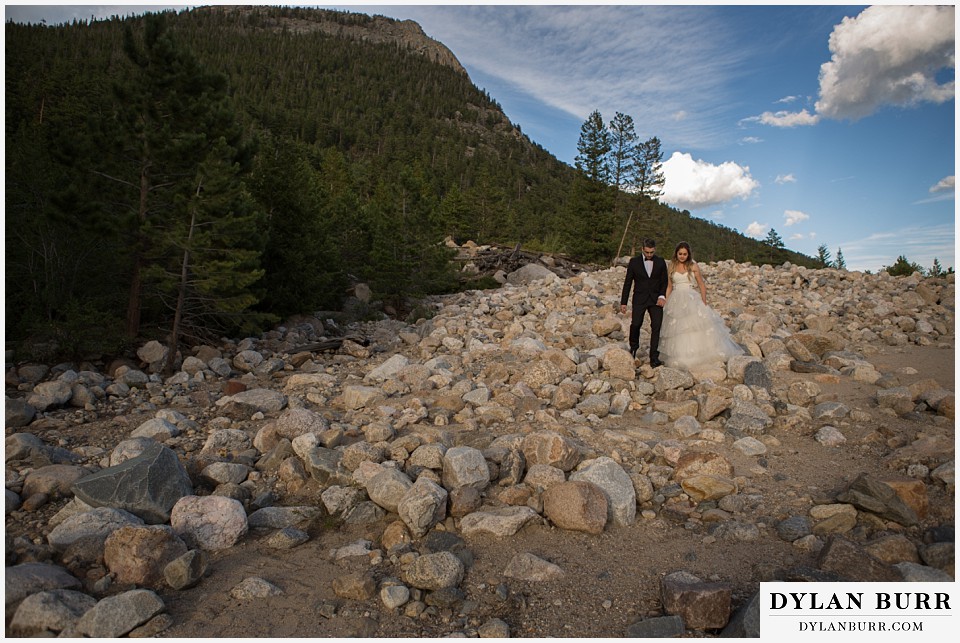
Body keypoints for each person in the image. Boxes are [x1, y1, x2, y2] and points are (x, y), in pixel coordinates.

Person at [658, 241, 744, 370]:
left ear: (688, 254)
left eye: (685, 254)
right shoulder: (671, 266)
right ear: (676, 254)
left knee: (694, 326)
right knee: (678, 328)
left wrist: (703, 302)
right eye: (680, 254)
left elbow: (701, 285)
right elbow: (669, 286)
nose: (682, 256)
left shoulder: (693, 266)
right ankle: (680, 355)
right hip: (676, 298)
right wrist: (666, 301)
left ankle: (698, 355)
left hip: (691, 297)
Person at [620, 238, 668, 367]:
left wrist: (662, 296)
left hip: (656, 299)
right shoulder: (634, 262)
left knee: (657, 326)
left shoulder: (661, 262)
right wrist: (623, 302)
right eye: (647, 252)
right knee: (635, 324)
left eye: (651, 252)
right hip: (639, 299)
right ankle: (633, 348)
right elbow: (628, 282)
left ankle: (654, 357)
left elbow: (664, 281)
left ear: (654, 250)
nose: (649, 255)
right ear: (642, 249)